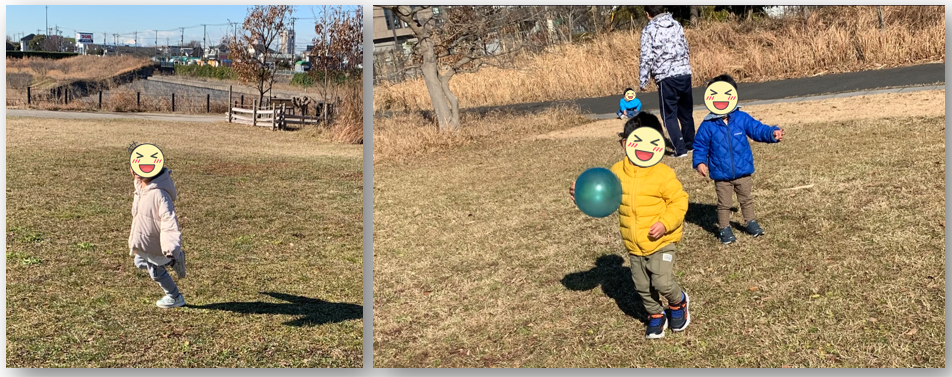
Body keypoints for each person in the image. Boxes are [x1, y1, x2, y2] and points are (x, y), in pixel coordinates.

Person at [570, 112, 691, 339]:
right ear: (625, 144)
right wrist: (581, 193)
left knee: (662, 281)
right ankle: (656, 315)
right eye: (637, 141)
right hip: (634, 244)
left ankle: (678, 303)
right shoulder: (617, 172)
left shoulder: (663, 174)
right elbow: (603, 193)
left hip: (662, 241)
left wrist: (665, 224)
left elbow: (679, 201)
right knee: (643, 287)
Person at [692, 74, 785, 244]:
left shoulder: (742, 118)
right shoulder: (708, 124)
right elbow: (700, 145)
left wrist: (772, 133)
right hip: (721, 174)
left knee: (746, 199)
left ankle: (750, 222)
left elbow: (758, 130)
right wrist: (699, 162)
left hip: (743, 170)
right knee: (724, 203)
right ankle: (724, 228)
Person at [639, 5, 695, 158]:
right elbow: (685, 47)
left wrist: (643, 80)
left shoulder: (648, 30)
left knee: (669, 114)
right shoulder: (676, 24)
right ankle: (690, 143)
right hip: (684, 73)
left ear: (648, 14)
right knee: (686, 112)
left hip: (666, 77)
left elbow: (646, 56)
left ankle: (680, 149)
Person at [129, 165, 187, 308]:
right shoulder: (142, 186)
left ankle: (175, 297)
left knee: (156, 273)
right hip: (146, 240)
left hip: (158, 244)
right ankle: (173, 260)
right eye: (134, 167)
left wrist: (170, 246)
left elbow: (169, 221)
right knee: (139, 261)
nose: (136, 172)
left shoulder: (160, 194)